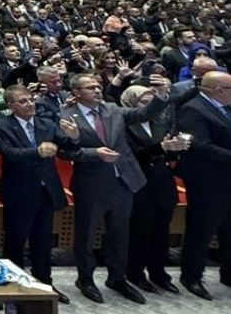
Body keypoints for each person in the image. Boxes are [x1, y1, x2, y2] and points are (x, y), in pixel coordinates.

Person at [57, 71, 170, 305]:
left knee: (120, 234)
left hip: (124, 182)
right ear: (76, 93)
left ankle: (117, 278)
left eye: (98, 86)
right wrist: (92, 152)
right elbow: (64, 151)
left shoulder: (112, 109)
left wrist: (161, 94)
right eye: (90, 87)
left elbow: (145, 112)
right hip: (91, 185)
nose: (98, 90)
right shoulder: (66, 114)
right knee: (86, 236)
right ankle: (85, 278)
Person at [175, 71, 231, 299]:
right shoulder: (193, 110)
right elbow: (200, 146)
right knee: (202, 229)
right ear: (217, 89)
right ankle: (191, 276)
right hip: (206, 180)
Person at [0, 85, 70, 304]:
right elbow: (8, 153)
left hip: (46, 191)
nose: (30, 104)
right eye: (23, 101)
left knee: (43, 241)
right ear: (10, 106)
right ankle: (14, 285)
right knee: (15, 242)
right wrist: (35, 151)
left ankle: (44, 283)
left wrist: (73, 136)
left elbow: (65, 146)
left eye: (31, 99)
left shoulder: (46, 124)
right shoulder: (2, 126)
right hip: (18, 192)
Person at [119, 82, 186, 295]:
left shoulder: (160, 122)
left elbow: (165, 152)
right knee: (141, 230)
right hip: (139, 182)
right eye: (144, 102)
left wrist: (175, 149)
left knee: (161, 231)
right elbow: (131, 154)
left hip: (162, 180)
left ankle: (159, 272)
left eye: (152, 102)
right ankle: (135, 273)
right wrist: (160, 148)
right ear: (131, 104)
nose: (150, 107)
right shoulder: (122, 122)